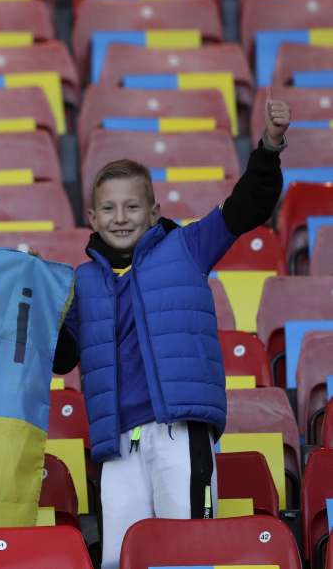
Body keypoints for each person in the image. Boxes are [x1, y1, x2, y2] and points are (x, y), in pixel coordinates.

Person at [52, 93, 291, 569]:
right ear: (92, 219)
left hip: (180, 430)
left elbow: (247, 206)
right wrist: (40, 308)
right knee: (122, 557)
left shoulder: (186, 247)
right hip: (116, 445)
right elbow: (61, 358)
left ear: (155, 212)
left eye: (132, 206)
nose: (121, 217)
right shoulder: (80, 283)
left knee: (188, 550)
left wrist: (268, 147)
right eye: (109, 209)